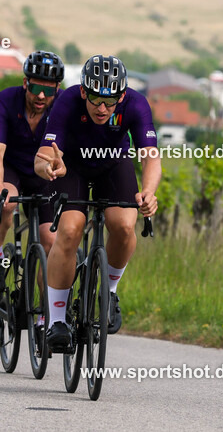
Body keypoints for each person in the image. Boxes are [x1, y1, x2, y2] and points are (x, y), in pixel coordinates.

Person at [34, 54, 161, 351]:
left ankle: (110, 291)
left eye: (110, 101)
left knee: (125, 226)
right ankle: (56, 321)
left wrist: (149, 192)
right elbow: (43, 155)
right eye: (94, 99)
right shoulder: (67, 101)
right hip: (71, 166)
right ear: (83, 91)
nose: (102, 108)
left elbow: (150, 156)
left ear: (122, 95)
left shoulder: (136, 104)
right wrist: (50, 166)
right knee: (68, 230)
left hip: (113, 164)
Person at [0, 50, 64, 297]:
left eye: (49, 90)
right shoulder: (3, 102)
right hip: (12, 167)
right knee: (5, 203)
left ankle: (44, 315)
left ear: (57, 89)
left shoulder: (63, 107)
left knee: (51, 244)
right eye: (36, 88)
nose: (41, 96)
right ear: (25, 83)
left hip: (44, 173)